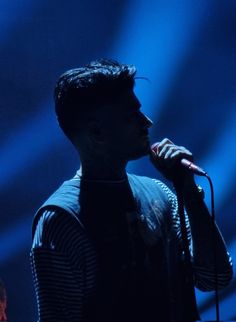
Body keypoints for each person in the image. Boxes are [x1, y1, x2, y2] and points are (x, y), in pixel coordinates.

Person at [30, 59, 233, 322]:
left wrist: (189, 192)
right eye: (131, 115)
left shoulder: (160, 194)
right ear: (96, 131)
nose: (147, 122)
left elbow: (215, 278)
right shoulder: (61, 220)